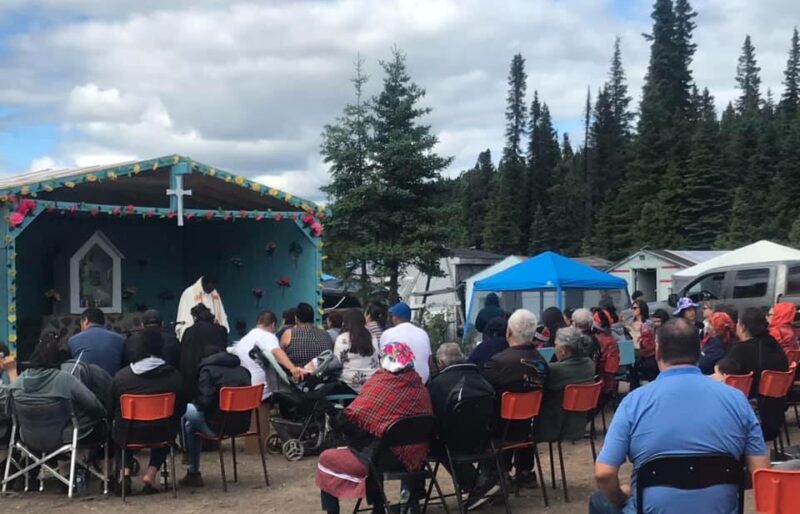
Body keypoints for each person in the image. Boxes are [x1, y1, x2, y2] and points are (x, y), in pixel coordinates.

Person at [589, 318, 769, 514]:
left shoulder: (634, 403)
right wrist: (723, 479)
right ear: (698, 350)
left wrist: (621, 498)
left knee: (600, 501)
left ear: (658, 351)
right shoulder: (737, 400)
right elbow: (760, 473)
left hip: (649, 510)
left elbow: (604, 473)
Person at [316, 343, 433, 514]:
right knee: (378, 441)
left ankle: (334, 512)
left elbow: (353, 417)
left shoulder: (381, 383)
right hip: (416, 456)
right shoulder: (419, 387)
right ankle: (385, 506)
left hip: (381, 458)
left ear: (383, 360)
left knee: (326, 457)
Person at [473, 309, 549, 507]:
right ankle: (521, 472)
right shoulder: (542, 362)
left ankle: (493, 478)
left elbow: (479, 392)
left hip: (499, 431)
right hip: (529, 429)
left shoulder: (497, 363)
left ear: (508, 332)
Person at [109, 329, 186, 495]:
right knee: (168, 425)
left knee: (120, 427)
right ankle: (150, 476)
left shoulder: (121, 378)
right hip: (162, 433)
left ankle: (124, 474)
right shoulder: (175, 377)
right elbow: (181, 409)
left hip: (129, 434)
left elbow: (111, 408)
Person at [11, 329, 106, 442]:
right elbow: (93, 406)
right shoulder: (65, 379)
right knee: (102, 425)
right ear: (59, 359)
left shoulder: (17, 383)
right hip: (65, 438)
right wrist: (103, 414)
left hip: (29, 438)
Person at [427, 343, 495, 493]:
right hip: (484, 441)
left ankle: (473, 485)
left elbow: (433, 418)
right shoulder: (482, 379)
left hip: (453, 444)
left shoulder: (437, 385)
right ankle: (483, 480)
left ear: (441, 363)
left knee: (434, 442)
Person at [180, 346, 251, 487]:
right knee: (191, 426)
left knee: (181, 408)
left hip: (217, 426)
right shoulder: (243, 371)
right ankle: (192, 471)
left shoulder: (207, 371)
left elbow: (204, 403)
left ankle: (190, 463)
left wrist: (194, 399)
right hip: (243, 425)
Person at [230, 310, 307, 401]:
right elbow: (276, 351)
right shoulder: (268, 336)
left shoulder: (243, 340)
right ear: (273, 324)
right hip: (263, 390)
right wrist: (293, 368)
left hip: (244, 387)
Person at [537, 327, 596, 443]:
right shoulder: (590, 364)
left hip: (554, 427)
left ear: (563, 350)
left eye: (555, 345)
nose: (554, 349)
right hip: (579, 424)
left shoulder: (554, 370)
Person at [716, 307, 788, 395]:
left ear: (742, 327)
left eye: (738, 323)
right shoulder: (774, 343)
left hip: (750, 403)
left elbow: (722, 371)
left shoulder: (741, 349)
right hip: (776, 402)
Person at [180, 303, 229, 399]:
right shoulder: (221, 330)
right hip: (220, 378)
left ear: (194, 317)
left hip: (196, 379)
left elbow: (185, 358)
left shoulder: (190, 332)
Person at [379, 302, 431, 384]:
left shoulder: (388, 334)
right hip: (422, 381)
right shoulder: (422, 333)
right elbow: (428, 360)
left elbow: (383, 362)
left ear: (395, 318)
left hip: (398, 382)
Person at [68, 307, 124, 378]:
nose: (81, 327)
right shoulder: (119, 339)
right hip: (111, 384)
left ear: (86, 321)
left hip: (84, 385)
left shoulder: (73, 340)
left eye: (81, 324)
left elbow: (71, 367)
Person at [333, 310, 380, 392]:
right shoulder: (373, 337)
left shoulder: (342, 338)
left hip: (348, 383)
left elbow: (337, 362)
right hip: (372, 381)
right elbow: (377, 359)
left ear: (345, 322)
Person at [175, 275, 229, 339]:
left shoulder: (214, 294)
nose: (212, 289)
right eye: (211, 287)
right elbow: (185, 317)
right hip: (195, 336)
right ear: (205, 284)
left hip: (213, 335)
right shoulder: (189, 293)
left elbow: (221, 317)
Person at [281, 302, 334, 367]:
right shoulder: (326, 334)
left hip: (296, 374)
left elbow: (279, 356)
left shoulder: (289, 333)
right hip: (322, 374)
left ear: (296, 318)